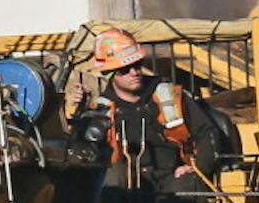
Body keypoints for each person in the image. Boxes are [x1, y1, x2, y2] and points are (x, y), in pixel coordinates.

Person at [89, 27, 225, 193]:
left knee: (188, 192)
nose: (134, 72)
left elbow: (207, 133)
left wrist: (197, 169)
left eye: (137, 65)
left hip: (173, 181)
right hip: (126, 188)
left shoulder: (170, 97)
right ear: (109, 73)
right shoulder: (100, 112)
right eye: (124, 69)